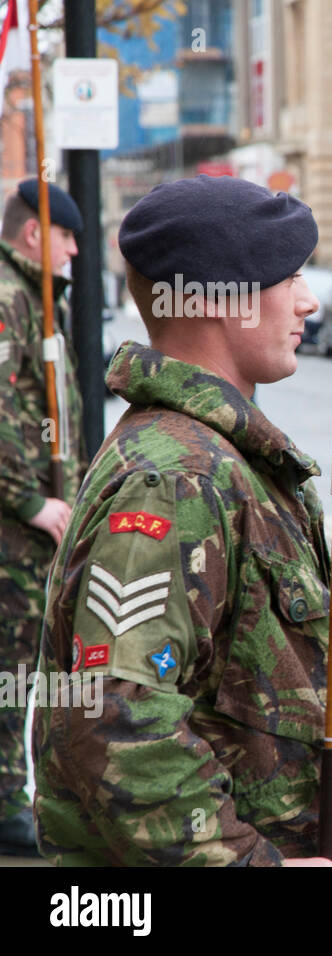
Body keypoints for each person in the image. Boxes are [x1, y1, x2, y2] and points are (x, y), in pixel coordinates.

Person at [31, 175, 332, 866]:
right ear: (217, 300)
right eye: (287, 277)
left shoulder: (216, 454)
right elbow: (116, 712)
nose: (310, 301)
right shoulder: (178, 477)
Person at [0, 180, 85, 856]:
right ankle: (6, 803)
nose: (76, 250)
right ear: (35, 235)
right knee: (10, 663)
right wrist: (28, 500)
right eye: (67, 236)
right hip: (14, 526)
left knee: (24, 663)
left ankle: (14, 796)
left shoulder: (36, 300)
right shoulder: (9, 299)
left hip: (32, 525)